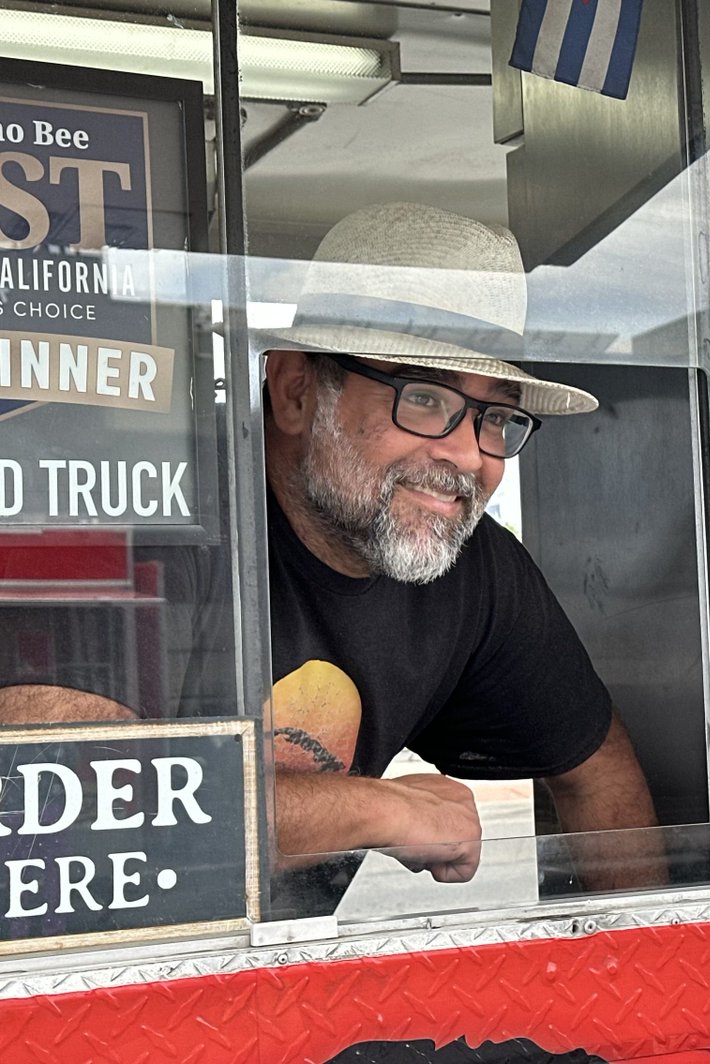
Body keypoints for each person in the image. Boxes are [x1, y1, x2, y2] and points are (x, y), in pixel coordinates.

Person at [0, 202, 666, 901]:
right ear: (294, 391)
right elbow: (65, 790)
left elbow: (597, 770)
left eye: (496, 417)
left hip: (275, 990)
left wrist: (645, 984)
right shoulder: (144, 516)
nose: (469, 454)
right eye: (426, 397)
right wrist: (381, 809)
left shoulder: (473, 568)